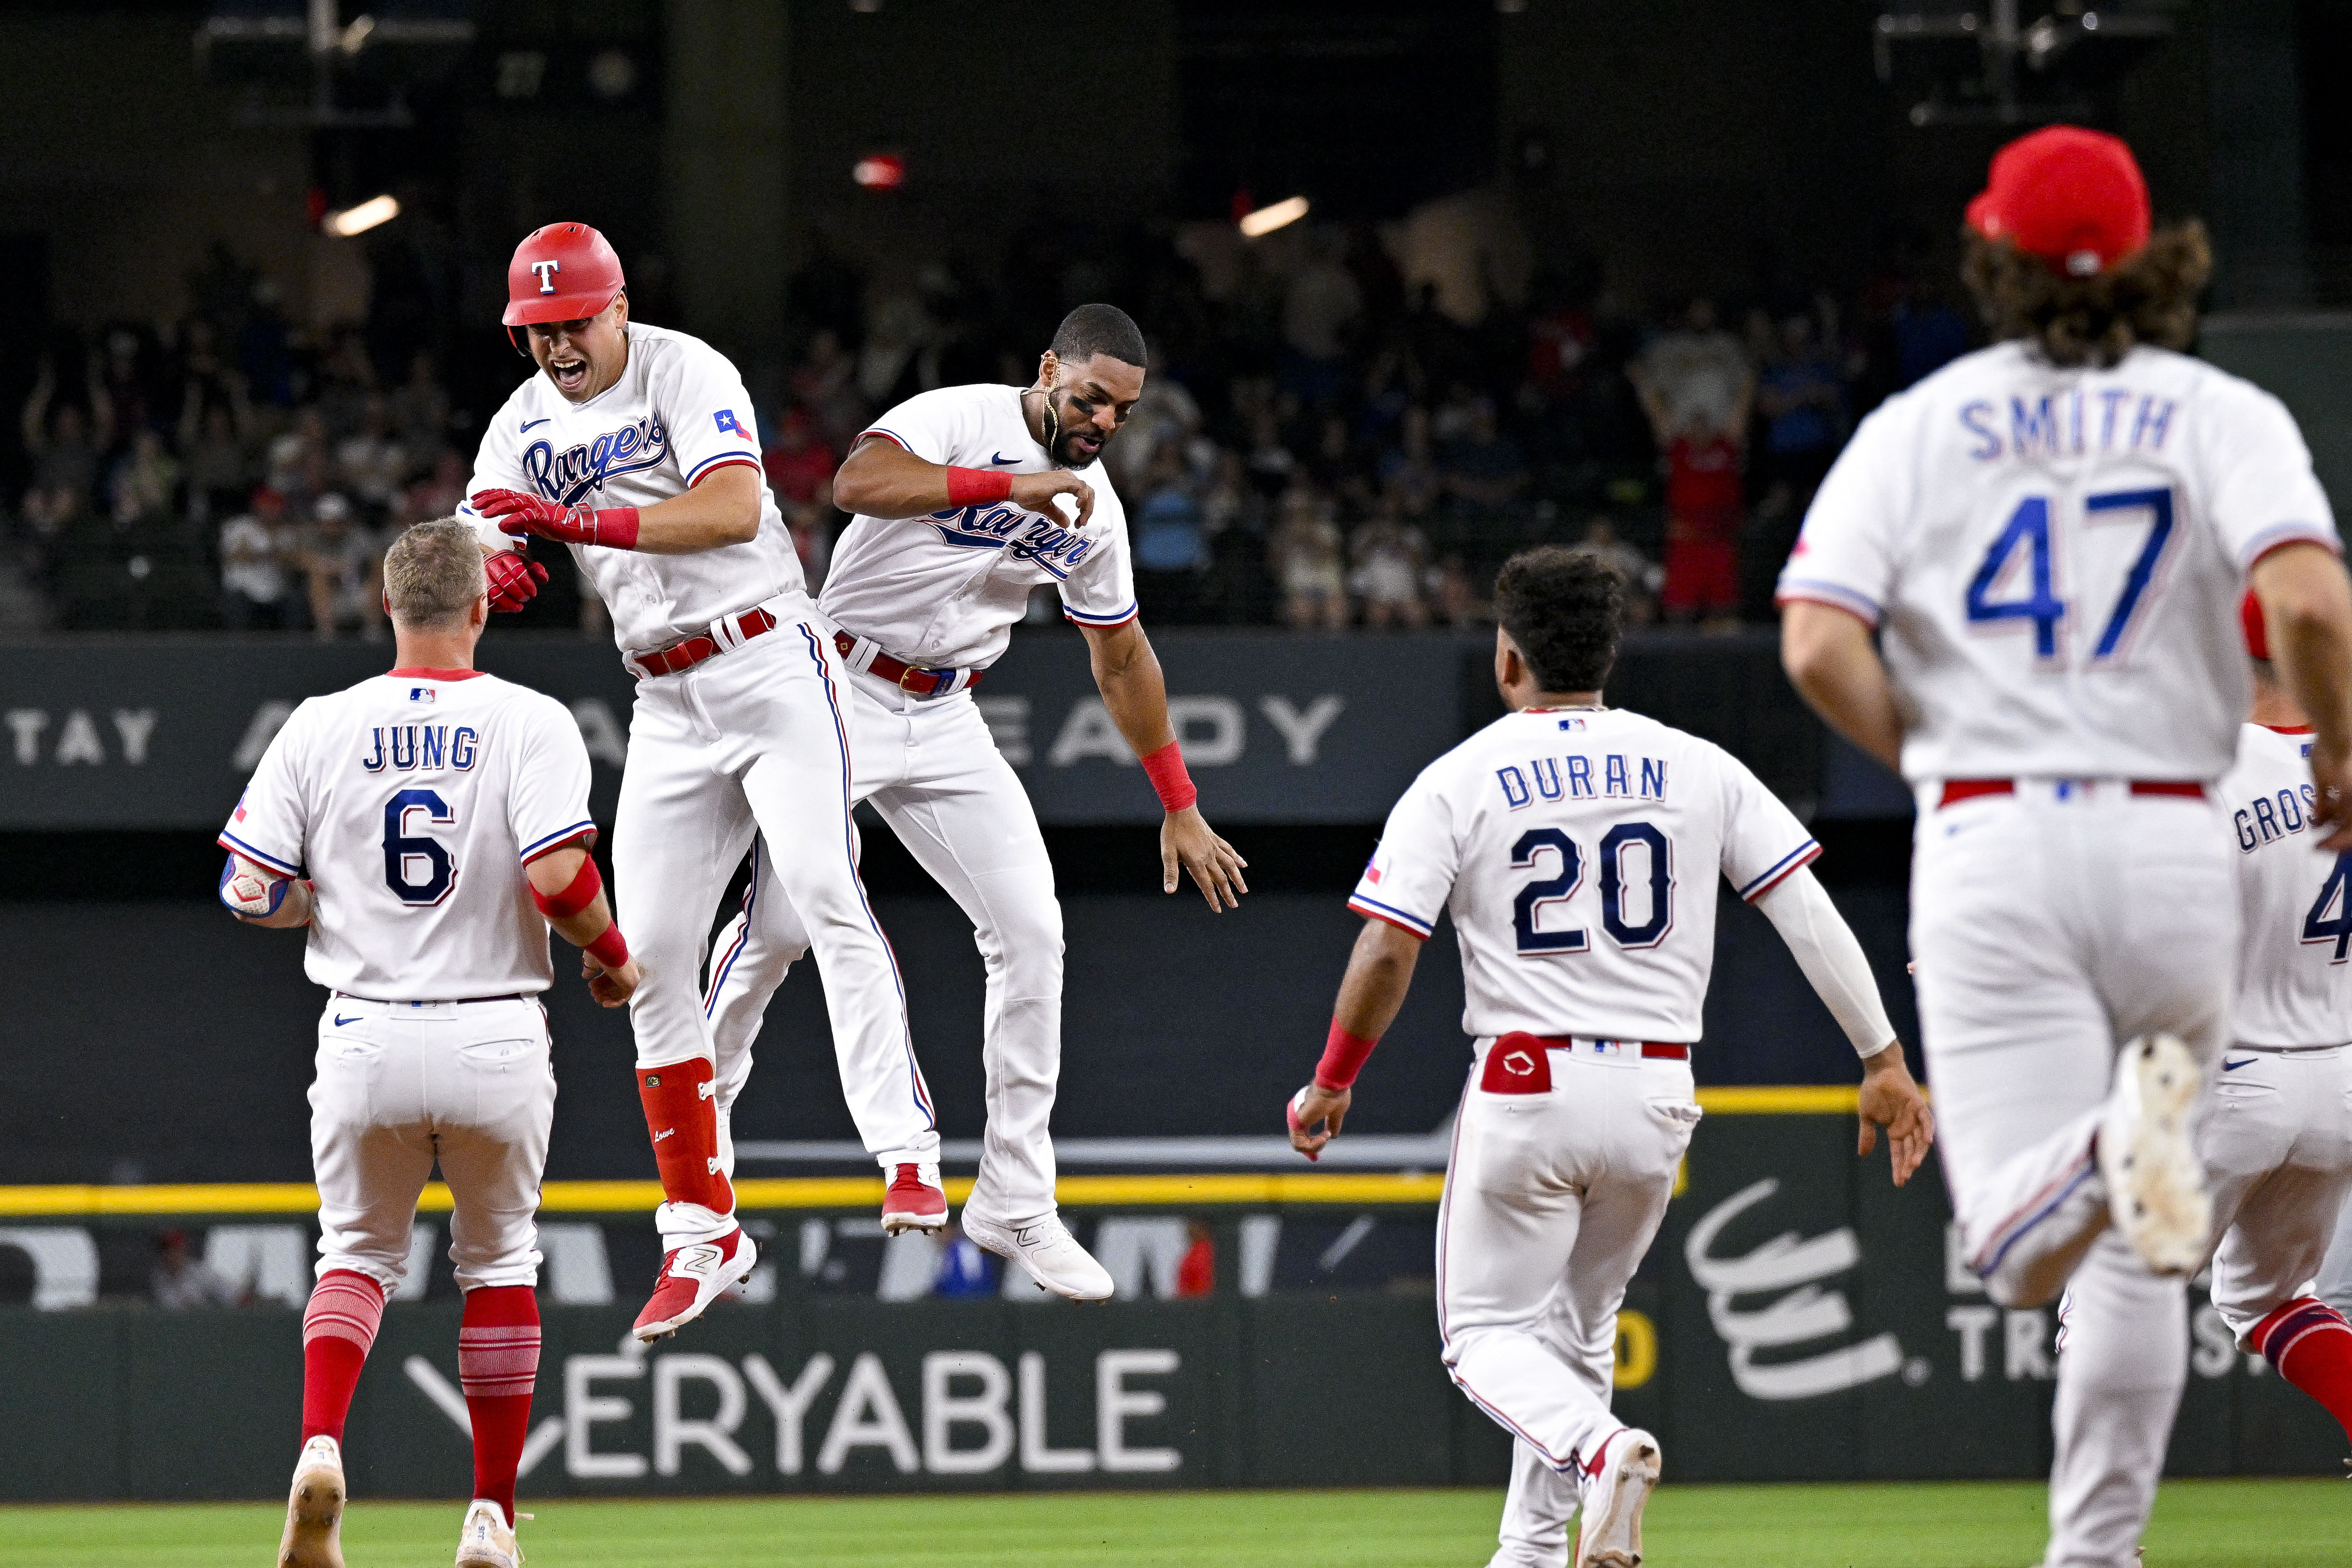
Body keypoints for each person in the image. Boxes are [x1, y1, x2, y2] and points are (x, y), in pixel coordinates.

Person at [1778, 126, 2352, 1568]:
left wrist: (1928, 751)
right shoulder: (2222, 413)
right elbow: (2310, 609)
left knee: (2026, 1244)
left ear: (1992, 259)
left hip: (2003, 833)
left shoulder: (1919, 422)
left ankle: (2109, 1148)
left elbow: (1812, 641)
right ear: (2156, 257)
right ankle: (2090, 1556)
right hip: (2166, 834)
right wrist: (2336, 749)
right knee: (2150, 1260)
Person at [1288, 546, 1932, 1568]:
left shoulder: (1459, 778)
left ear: (1509, 659)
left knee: (1483, 1338)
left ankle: (1596, 1450)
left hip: (1527, 1083)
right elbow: (1804, 911)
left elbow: (1387, 945)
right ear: (1611, 653)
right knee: (1578, 1336)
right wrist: (1883, 1055)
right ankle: (1535, 1550)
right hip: (1657, 1091)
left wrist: (1333, 1076)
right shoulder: (1699, 764)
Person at [701, 304, 1249, 1302]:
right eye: (1089, 398)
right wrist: (1015, 485)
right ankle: (696, 1166)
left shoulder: (1096, 509)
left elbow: (1119, 652)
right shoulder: (962, 416)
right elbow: (857, 481)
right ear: (1047, 370)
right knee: (777, 929)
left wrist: (1178, 800)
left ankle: (1015, 1197)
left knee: (1033, 930)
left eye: (1121, 412)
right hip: (840, 684)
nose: (1101, 423)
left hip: (947, 712)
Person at [458, 222, 941, 1341]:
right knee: (647, 962)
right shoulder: (519, 423)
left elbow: (729, 507)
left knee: (821, 888)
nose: (558, 344)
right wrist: (495, 561)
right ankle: (701, 1230)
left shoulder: (686, 368)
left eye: (573, 320)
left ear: (617, 306)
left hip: (770, 654)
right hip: (666, 701)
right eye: (538, 328)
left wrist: (570, 522)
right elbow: (476, 531)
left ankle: (907, 1151)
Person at [218, 518, 640, 1568]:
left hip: (364, 1029)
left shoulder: (320, 722)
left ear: (387, 606)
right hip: (495, 1028)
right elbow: (559, 879)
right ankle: (490, 1515)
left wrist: (326, 901)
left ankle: (321, 1444)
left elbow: (246, 887)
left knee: (355, 1256)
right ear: (482, 608)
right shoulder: (529, 718)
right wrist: (613, 953)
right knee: (498, 1263)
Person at [2185, 592, 2352, 1453]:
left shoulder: (2211, 763)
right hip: (2338, 1076)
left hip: (2231, 1078)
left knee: (2111, 1291)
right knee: (2268, 1299)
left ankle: (2103, 1546)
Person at [151, 1229, 238, 1309]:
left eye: (174, 1250)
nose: (169, 1254)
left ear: (183, 1250)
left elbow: (233, 1297)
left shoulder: (200, 1272)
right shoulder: (159, 1278)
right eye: (166, 1250)